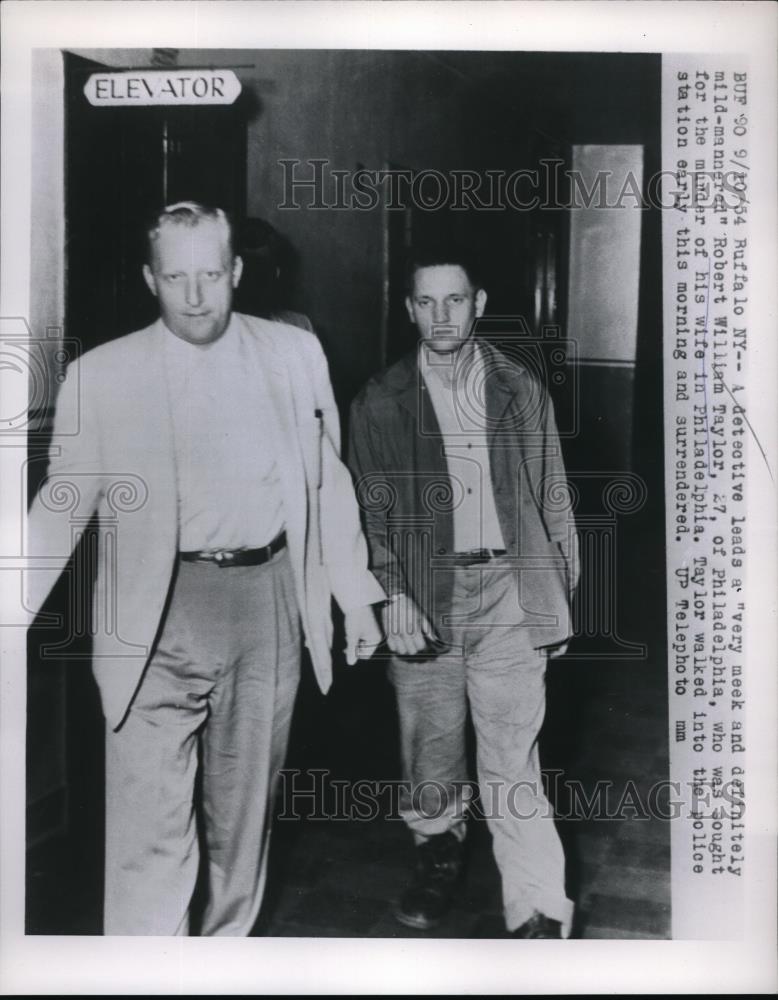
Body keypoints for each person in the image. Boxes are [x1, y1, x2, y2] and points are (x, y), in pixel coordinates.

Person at [26, 201, 384, 936]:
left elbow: (326, 481)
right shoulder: (104, 375)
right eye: (178, 276)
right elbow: (60, 507)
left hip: (267, 607)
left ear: (238, 272)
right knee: (147, 841)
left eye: (212, 274)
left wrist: (356, 596)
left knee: (241, 834)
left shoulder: (293, 356)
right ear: (150, 278)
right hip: (155, 617)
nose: (196, 296)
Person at [348, 246, 579, 938]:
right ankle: (437, 853)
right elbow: (367, 510)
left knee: (514, 756)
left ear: (478, 303)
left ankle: (537, 906)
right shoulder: (380, 400)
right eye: (427, 302)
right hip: (425, 597)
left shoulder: (519, 388)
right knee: (432, 752)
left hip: (510, 592)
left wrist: (557, 594)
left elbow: (553, 495)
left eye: (456, 300)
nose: (441, 315)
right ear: (411, 308)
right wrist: (392, 593)